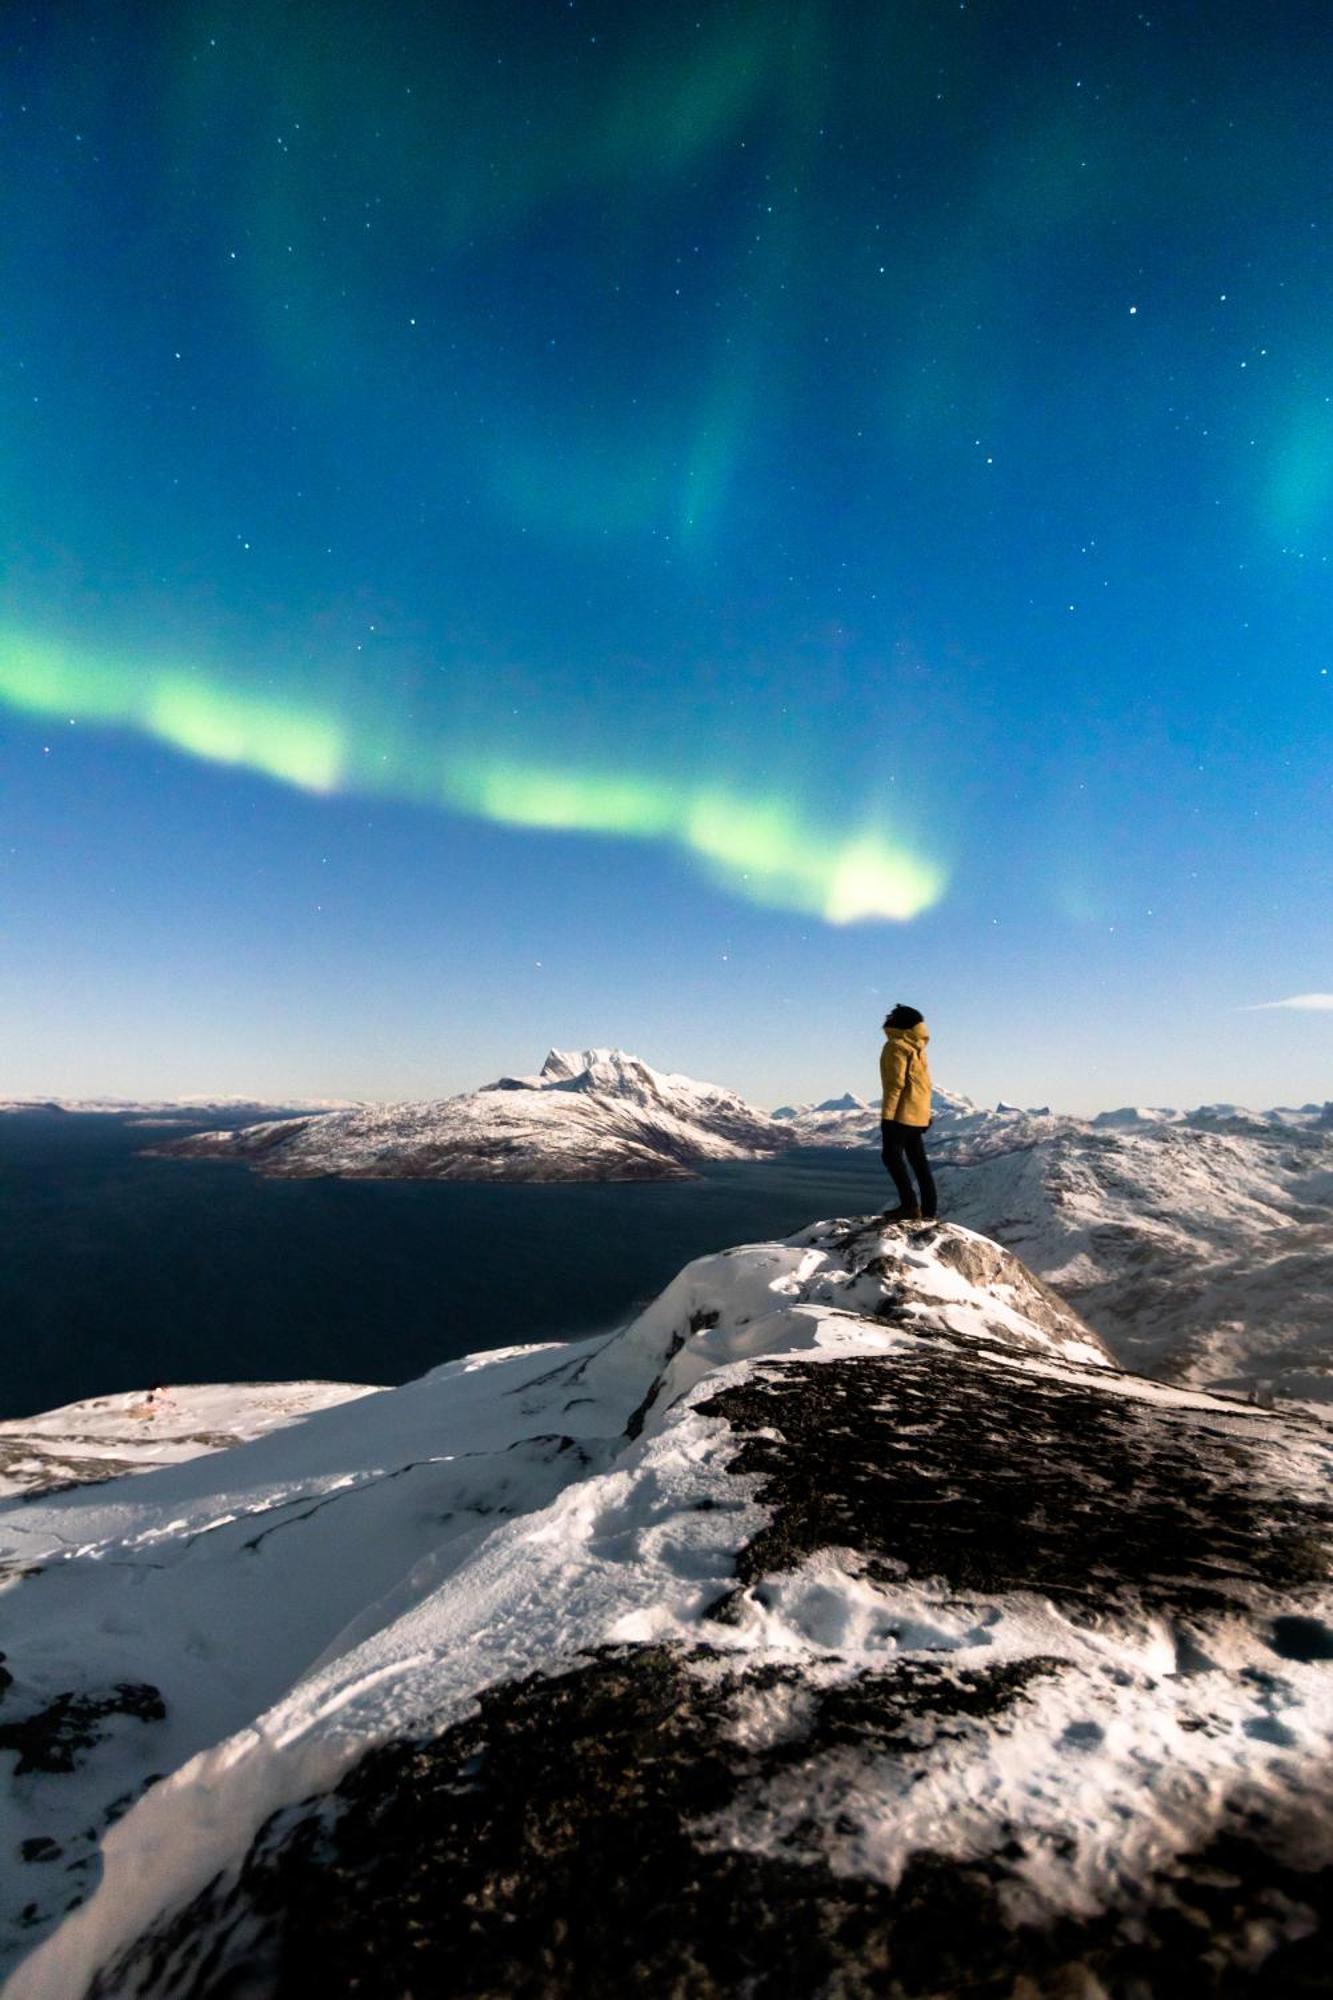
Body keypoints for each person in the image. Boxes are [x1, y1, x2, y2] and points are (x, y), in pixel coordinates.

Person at [879, 1003, 937, 1222]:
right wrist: (925, 1114)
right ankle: (929, 1211)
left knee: (891, 1156)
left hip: (902, 1113)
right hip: (918, 1113)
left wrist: (888, 1117)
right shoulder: (918, 1048)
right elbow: (924, 1084)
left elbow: (895, 1085)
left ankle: (910, 1206)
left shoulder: (895, 1046)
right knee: (918, 1162)